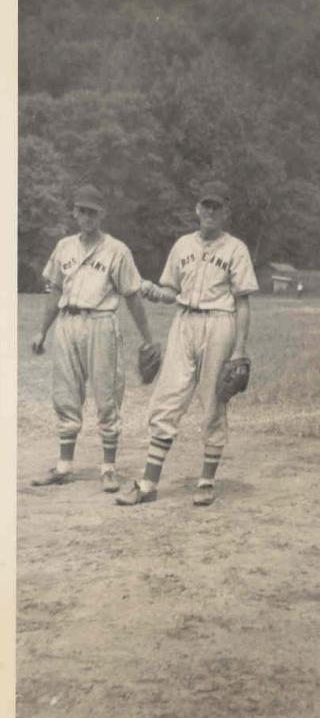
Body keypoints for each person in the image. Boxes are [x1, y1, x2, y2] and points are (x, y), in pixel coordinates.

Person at [115, 181, 259, 507]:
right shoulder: (182, 245)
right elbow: (171, 292)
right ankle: (148, 483)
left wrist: (240, 348)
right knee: (167, 398)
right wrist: (153, 291)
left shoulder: (236, 249)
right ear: (197, 209)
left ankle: (206, 480)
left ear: (226, 212)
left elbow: (243, 303)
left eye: (217, 206)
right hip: (184, 322)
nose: (210, 211)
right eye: (205, 205)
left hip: (220, 323)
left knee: (214, 401)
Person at [31, 184, 156, 493]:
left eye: (92, 211)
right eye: (81, 210)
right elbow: (55, 291)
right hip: (68, 322)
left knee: (107, 394)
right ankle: (63, 467)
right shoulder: (64, 247)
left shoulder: (117, 250)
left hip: (102, 323)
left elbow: (132, 297)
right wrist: (42, 330)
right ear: (74, 212)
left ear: (103, 214)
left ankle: (109, 468)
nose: (86, 216)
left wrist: (148, 338)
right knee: (65, 394)